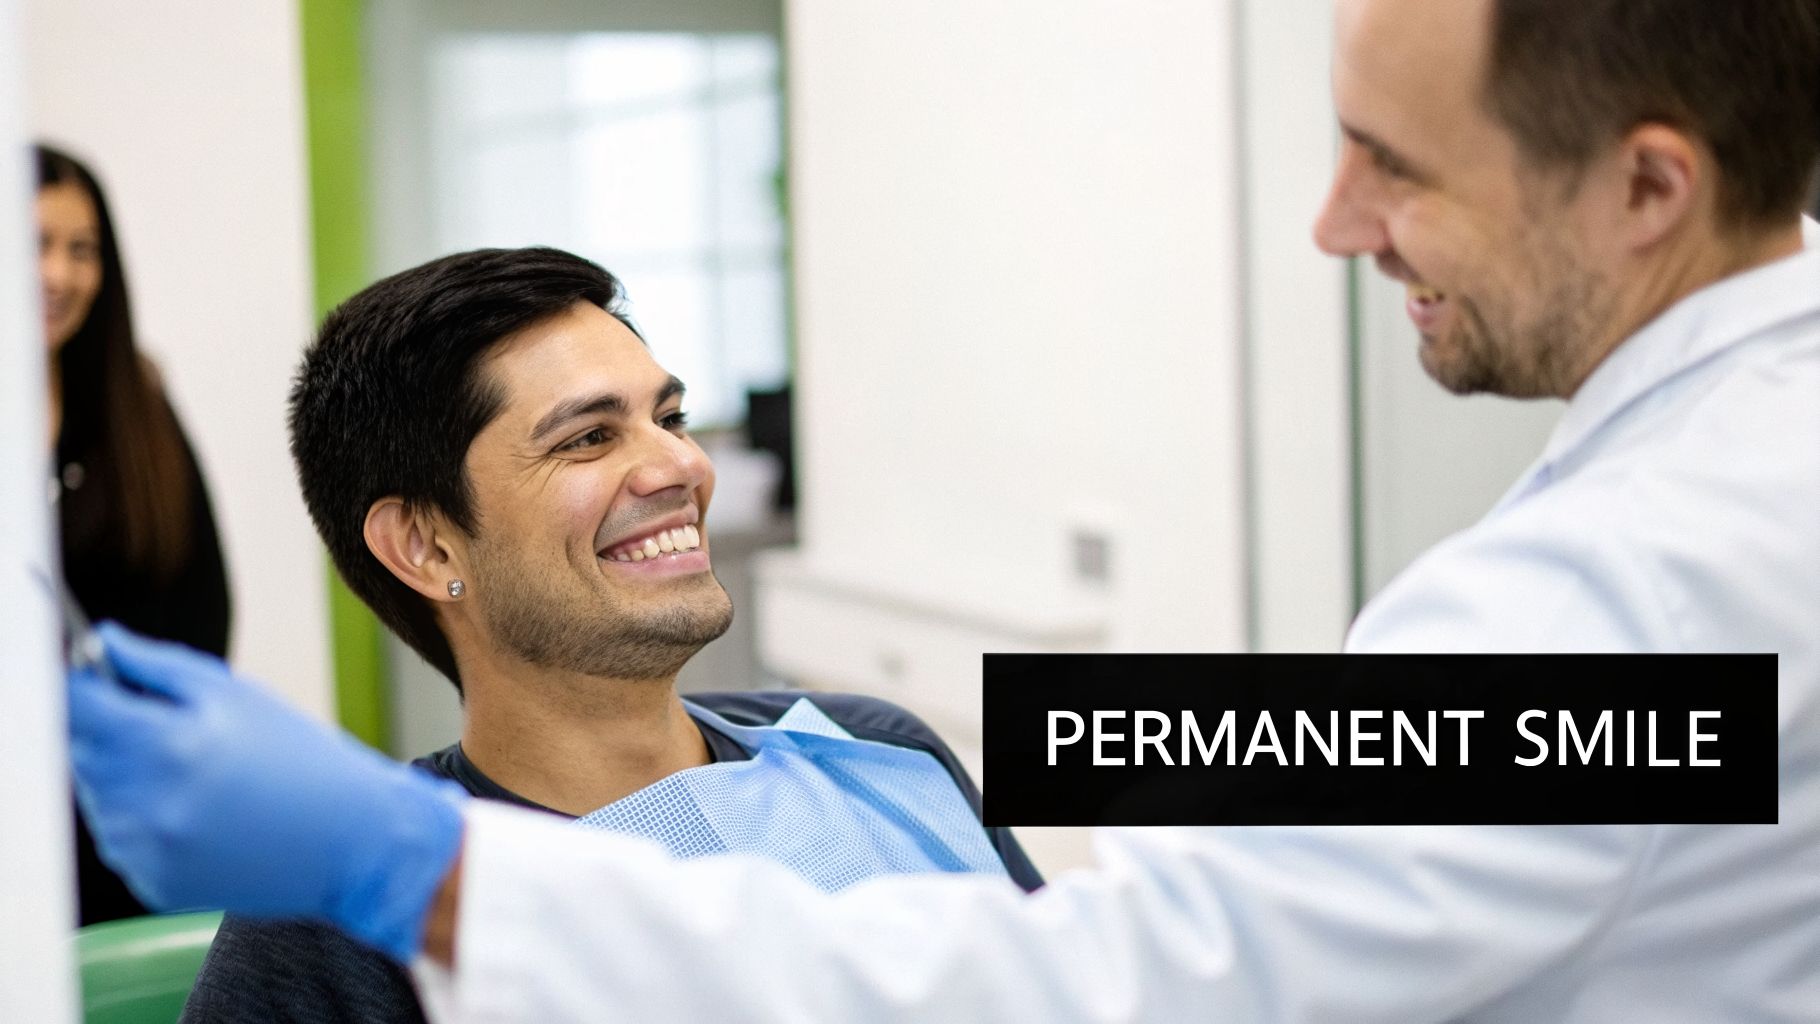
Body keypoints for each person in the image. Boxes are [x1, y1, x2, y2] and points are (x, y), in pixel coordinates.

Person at [66, 0, 1820, 1020]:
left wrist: (421, 865)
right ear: (418, 539)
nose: (1337, 223)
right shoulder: (311, 949)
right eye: (588, 435)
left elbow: (1116, 973)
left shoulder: (1626, 575)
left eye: (1399, 163)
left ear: (1649, 186)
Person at [176, 247, 1040, 1024]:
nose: (681, 467)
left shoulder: (874, 753)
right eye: (589, 438)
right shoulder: (347, 917)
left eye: (668, 419)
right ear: (427, 544)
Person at [37, 143, 232, 926]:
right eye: (34, 244)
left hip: (126, 799)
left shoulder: (135, 400)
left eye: (82, 250)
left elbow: (200, 607)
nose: (59, 275)